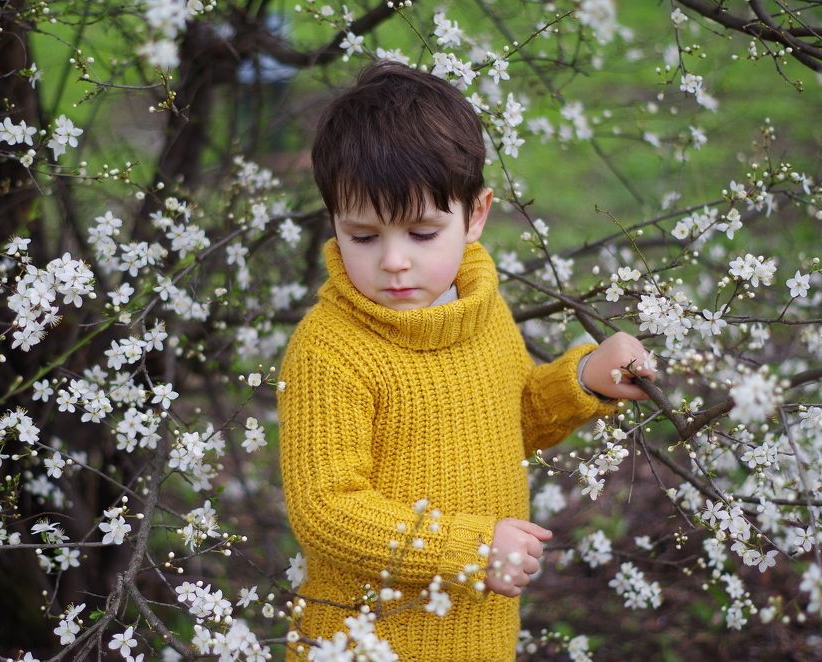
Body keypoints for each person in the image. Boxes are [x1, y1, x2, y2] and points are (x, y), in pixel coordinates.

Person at [277, 61, 655, 661]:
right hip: (370, 641)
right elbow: (328, 510)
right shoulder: (332, 348)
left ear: (475, 215)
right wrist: (472, 550)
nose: (393, 262)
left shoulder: (480, 311)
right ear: (334, 223)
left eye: (422, 234)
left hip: (477, 636)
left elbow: (498, 426)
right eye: (364, 236)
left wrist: (583, 378)